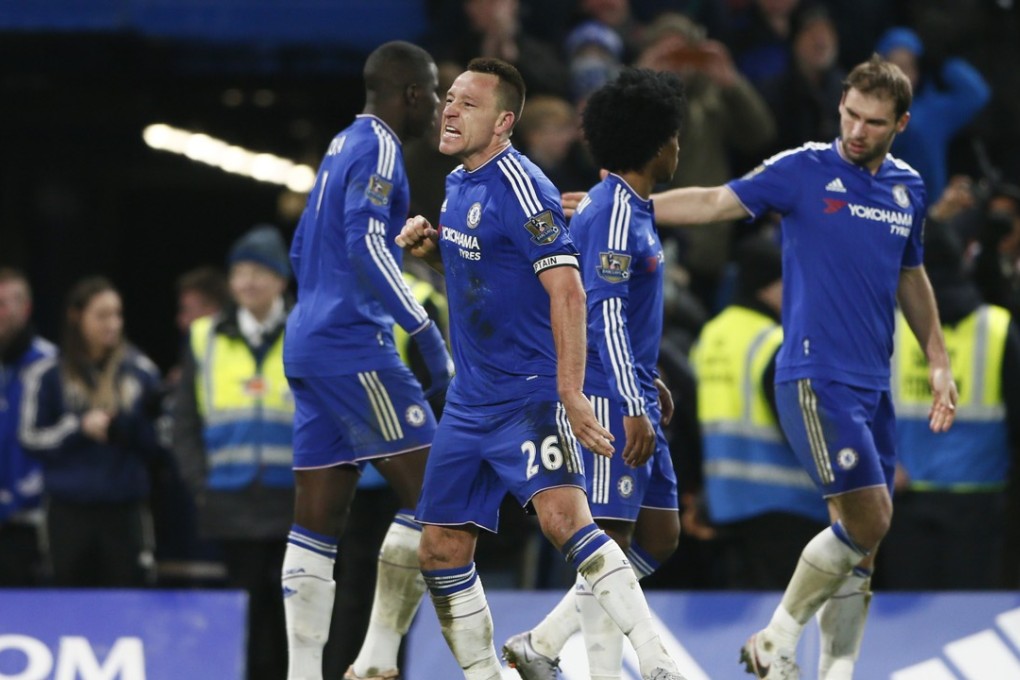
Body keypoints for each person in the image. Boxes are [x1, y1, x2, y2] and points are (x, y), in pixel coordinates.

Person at [613, 55, 958, 679]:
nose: (856, 130)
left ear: (900, 123)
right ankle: (777, 636)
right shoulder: (804, 168)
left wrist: (938, 359)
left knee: (862, 545)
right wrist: (625, 202)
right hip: (814, 375)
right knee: (871, 518)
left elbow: (911, 274)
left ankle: (835, 673)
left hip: (872, 383)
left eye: (873, 122)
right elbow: (717, 200)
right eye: (850, 114)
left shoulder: (908, 186)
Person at [396, 57, 686, 680]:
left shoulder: (524, 186)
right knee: (440, 549)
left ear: (502, 122)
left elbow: (570, 291)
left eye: (467, 104)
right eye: (449, 98)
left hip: (527, 395)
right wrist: (433, 255)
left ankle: (658, 663)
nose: (449, 108)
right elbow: (497, 282)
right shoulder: (458, 183)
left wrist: (571, 393)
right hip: (470, 402)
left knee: (568, 524)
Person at [502, 67, 686, 680]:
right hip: (607, 399)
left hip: (630, 385)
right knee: (606, 545)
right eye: (675, 137)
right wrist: (632, 398)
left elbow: (623, 314)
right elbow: (602, 313)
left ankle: (544, 642)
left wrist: (646, 378)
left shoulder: (630, 208)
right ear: (657, 144)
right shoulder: (611, 212)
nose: (679, 147)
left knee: (657, 537)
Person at [281, 41, 454, 680]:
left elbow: (303, 248)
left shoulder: (337, 147)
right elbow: (366, 244)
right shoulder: (380, 146)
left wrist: (316, 316)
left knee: (317, 520)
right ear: (410, 93)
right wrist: (423, 329)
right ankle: (377, 661)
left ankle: (304, 673)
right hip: (355, 344)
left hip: (309, 341)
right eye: (435, 93)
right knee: (438, 491)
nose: (438, 107)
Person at [174, 225, 295, 680]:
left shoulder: (307, 329)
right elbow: (183, 421)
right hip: (230, 502)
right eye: (239, 272)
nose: (247, 282)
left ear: (281, 279)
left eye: (259, 271)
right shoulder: (204, 336)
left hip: (297, 503)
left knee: (294, 618)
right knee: (244, 619)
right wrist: (201, 485)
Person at [882, 219, 1020, 590]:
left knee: (911, 633)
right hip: (980, 499)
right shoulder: (997, 327)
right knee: (968, 624)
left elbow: (857, 408)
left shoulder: (891, 327)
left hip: (904, 498)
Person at [691, 238, 829, 589]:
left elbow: (690, 419)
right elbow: (800, 426)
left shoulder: (711, 335)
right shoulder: (775, 341)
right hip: (786, 506)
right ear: (768, 285)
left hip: (725, 501)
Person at [19, 276, 162, 587]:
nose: (112, 324)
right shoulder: (48, 374)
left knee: (129, 596)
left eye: (117, 314)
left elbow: (160, 443)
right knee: (67, 597)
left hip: (124, 508)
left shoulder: (141, 372)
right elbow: (30, 438)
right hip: (68, 509)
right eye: (101, 315)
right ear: (76, 316)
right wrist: (77, 427)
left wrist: (126, 427)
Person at [875, 26, 991, 203]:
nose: (900, 74)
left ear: (917, 70)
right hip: (880, 205)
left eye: (908, 66)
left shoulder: (934, 110)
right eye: (893, 65)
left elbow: (976, 94)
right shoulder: (864, 108)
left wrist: (944, 64)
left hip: (929, 210)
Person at [0, 268, 54, 586]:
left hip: (32, 523)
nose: (0, 313)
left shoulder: (50, 364)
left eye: (7, 304)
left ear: (26, 309)